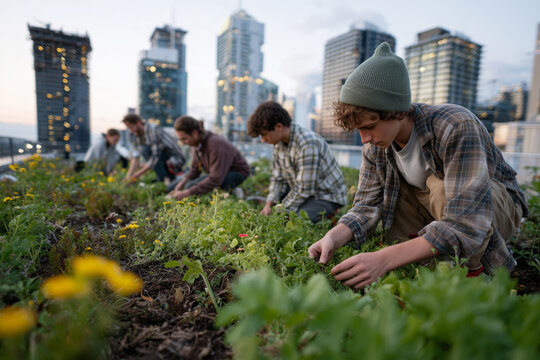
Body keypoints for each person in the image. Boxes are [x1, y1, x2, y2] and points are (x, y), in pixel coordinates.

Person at [308, 42, 528, 289]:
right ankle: (420, 266)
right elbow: (366, 207)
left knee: (440, 185)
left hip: (492, 208)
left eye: (369, 127)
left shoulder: (454, 125)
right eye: (359, 130)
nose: (365, 138)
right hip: (437, 209)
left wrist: (382, 260)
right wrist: (333, 237)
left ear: (397, 111)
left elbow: (466, 220)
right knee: (397, 194)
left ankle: (471, 274)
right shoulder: (375, 147)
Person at [247, 101, 347, 223]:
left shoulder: (307, 143)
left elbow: (305, 188)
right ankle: (275, 205)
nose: (262, 140)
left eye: (264, 135)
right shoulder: (278, 144)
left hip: (325, 195)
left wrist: (280, 210)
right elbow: (278, 178)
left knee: (296, 222)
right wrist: (269, 203)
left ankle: (331, 213)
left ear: (279, 127)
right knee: (276, 210)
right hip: (302, 191)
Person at [168, 116, 250, 200]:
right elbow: (195, 169)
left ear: (194, 133)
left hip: (235, 173)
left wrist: (188, 192)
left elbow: (215, 178)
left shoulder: (215, 144)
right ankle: (224, 190)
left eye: (184, 139)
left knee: (191, 188)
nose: (183, 143)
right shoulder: (196, 144)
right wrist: (183, 182)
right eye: (180, 140)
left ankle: (232, 192)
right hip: (218, 173)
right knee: (172, 187)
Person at [122, 114, 185, 184]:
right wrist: (129, 175)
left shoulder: (153, 129)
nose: (131, 131)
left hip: (175, 159)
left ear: (138, 122)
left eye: (131, 127)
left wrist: (136, 175)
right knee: (143, 150)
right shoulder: (137, 135)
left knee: (145, 149)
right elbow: (136, 156)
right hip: (162, 158)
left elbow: (155, 156)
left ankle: (165, 178)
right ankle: (162, 178)